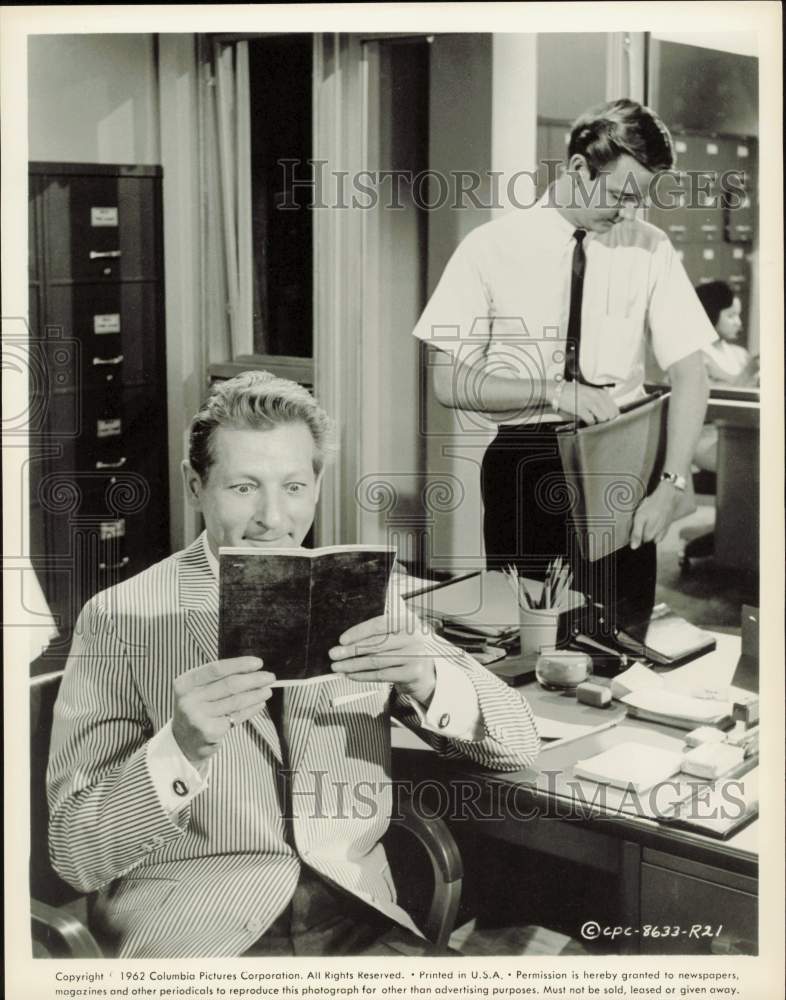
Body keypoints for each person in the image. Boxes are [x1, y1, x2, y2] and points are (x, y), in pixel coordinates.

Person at [47, 371, 540, 959]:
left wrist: (428, 678)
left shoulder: (362, 594)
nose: (273, 519)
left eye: (294, 488)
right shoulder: (121, 618)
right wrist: (177, 748)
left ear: (318, 485)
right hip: (202, 936)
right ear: (194, 484)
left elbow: (520, 744)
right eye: (243, 487)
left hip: (360, 917)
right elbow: (75, 852)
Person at [412, 98, 714, 624]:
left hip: (623, 463)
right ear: (578, 167)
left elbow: (692, 373)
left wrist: (671, 486)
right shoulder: (490, 247)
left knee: (623, 637)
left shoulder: (651, 247)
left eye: (638, 200)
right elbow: (448, 381)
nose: (627, 212)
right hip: (525, 467)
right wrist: (554, 391)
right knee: (526, 638)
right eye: (620, 195)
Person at [693, 280, 759, 472]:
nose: (738, 322)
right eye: (731, 316)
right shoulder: (696, 356)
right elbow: (712, 405)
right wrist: (749, 372)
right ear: (709, 313)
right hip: (707, 437)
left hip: (743, 432)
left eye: (738, 315)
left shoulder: (740, 353)